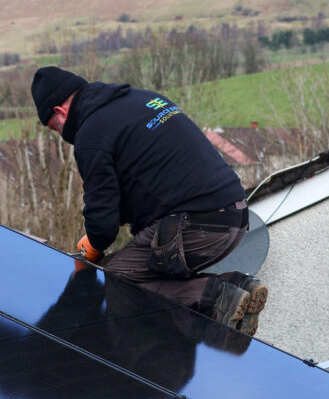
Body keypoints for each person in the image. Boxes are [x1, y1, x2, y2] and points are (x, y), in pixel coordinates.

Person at [30, 66, 268, 335]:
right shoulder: (141, 99)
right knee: (153, 270)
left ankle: (214, 297)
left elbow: (103, 222)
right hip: (235, 214)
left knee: (119, 280)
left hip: (198, 225)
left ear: (59, 112)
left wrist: (92, 248)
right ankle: (238, 288)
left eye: (54, 129)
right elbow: (141, 181)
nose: (61, 135)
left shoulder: (91, 134)